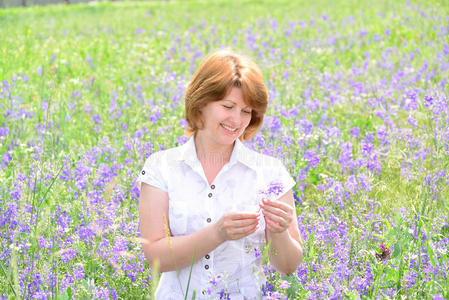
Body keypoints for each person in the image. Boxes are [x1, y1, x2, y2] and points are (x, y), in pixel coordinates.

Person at [137, 49, 303, 299]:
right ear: (201, 102)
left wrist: (279, 232)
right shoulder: (161, 167)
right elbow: (156, 257)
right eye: (228, 106)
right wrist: (217, 234)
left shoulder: (270, 172)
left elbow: (288, 266)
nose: (237, 120)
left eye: (247, 111)